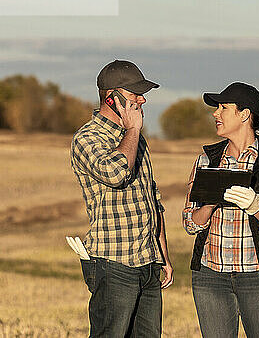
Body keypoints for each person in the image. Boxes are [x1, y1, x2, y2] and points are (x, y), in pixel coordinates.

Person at [183, 82, 259, 338]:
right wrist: (211, 202)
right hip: (210, 277)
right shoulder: (206, 161)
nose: (216, 114)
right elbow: (190, 223)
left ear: (245, 114)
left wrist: (256, 206)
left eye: (223, 107)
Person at [70, 60, 174, 337]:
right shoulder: (87, 138)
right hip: (113, 263)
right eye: (134, 94)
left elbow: (152, 197)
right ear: (110, 98)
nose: (142, 100)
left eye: (143, 93)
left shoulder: (136, 138)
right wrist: (133, 130)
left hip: (147, 260)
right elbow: (116, 173)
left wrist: (162, 254)